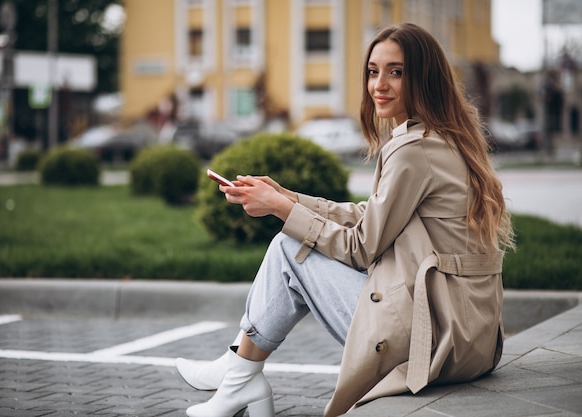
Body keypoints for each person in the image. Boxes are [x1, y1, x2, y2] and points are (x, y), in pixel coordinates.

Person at [176, 22, 515, 417]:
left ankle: (239, 376)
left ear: (424, 78)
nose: (379, 85)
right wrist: (289, 197)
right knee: (292, 245)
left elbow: (362, 247)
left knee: (289, 249)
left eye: (397, 72)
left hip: (432, 344)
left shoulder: (412, 151)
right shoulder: (446, 137)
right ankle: (239, 374)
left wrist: (281, 210)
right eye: (373, 71)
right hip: (469, 340)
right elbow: (370, 217)